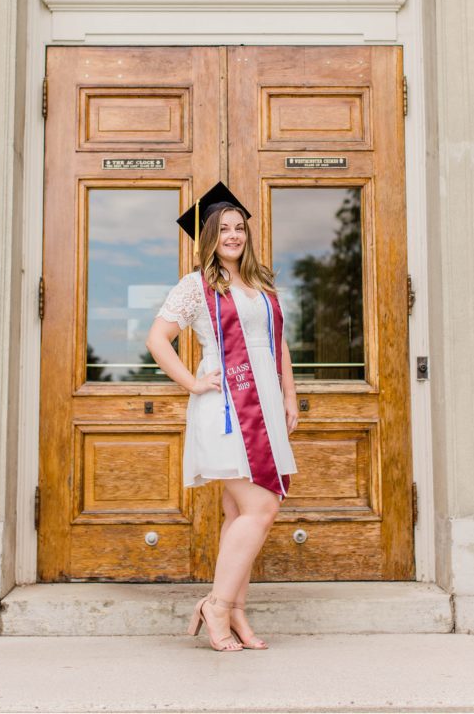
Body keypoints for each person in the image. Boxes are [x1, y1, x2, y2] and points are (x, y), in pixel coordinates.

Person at [146, 182, 299, 652]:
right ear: (209, 236)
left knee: (240, 513)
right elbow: (157, 339)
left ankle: (234, 611)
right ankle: (216, 604)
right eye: (224, 228)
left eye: (240, 228)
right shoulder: (196, 285)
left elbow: (279, 345)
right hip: (228, 408)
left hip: (265, 404)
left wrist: (290, 397)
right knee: (262, 508)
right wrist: (193, 384)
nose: (233, 235)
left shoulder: (259, 282)